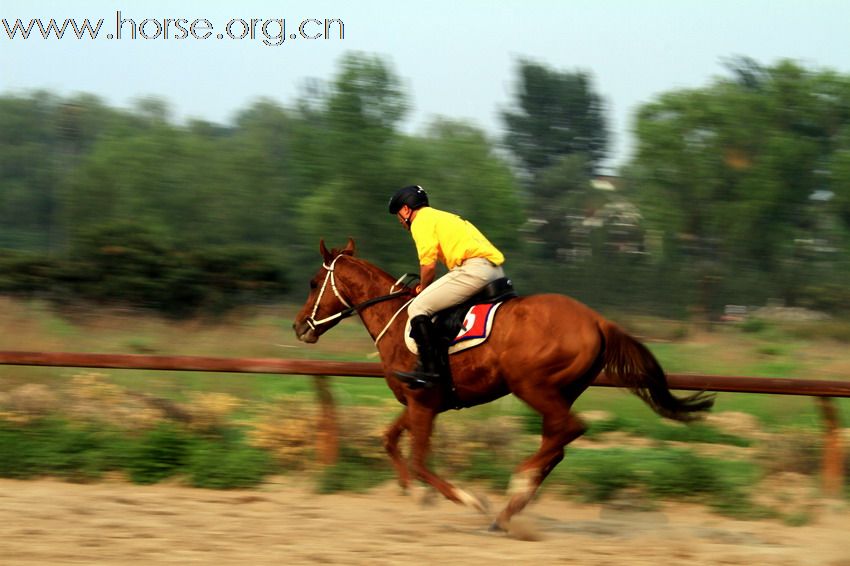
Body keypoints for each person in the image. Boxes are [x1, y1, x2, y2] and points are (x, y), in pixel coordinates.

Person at [388, 185, 506, 389]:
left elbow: (428, 266)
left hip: (474, 270)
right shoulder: (443, 217)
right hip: (495, 272)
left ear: (406, 210)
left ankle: (429, 370)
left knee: (416, 308)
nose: (399, 220)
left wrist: (423, 289)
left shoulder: (420, 221)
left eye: (398, 214)